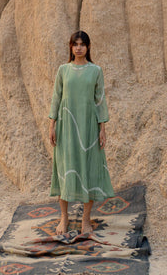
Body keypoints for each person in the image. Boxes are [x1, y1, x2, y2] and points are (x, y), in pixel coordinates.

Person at [49, 30, 114, 235]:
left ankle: (86, 219)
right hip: (66, 126)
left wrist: (102, 129)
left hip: (88, 127)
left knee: (89, 168)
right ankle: (64, 217)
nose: (79, 47)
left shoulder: (95, 70)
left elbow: (100, 100)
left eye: (82, 44)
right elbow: (56, 98)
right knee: (65, 168)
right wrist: (52, 125)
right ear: (70, 47)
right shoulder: (63, 70)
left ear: (88, 47)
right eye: (75, 44)